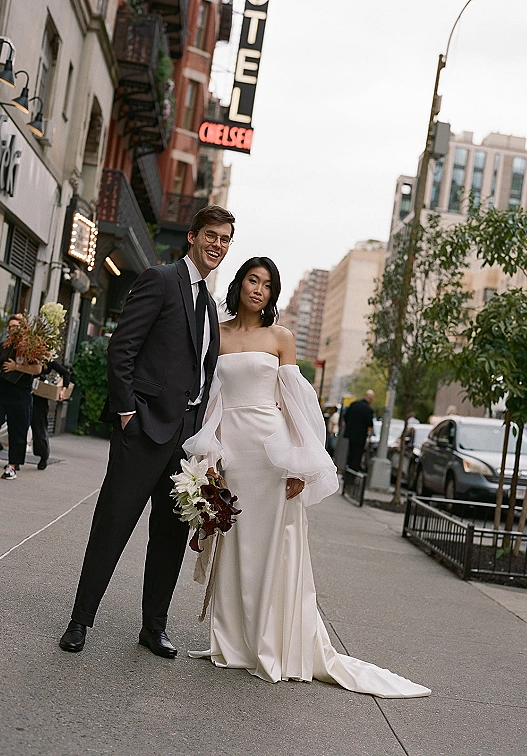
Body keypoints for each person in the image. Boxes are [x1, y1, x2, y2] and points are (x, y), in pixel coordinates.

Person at [183, 258, 430, 698]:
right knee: (236, 543)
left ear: (272, 294)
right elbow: (212, 401)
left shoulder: (281, 337)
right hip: (233, 453)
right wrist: (210, 454)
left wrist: (300, 462)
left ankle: (271, 641)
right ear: (239, 285)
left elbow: (296, 402)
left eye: (267, 284)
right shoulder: (217, 334)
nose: (258, 289)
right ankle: (233, 642)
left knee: (275, 547)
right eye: (252, 281)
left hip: (271, 452)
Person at [58, 204, 235, 657]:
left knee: (169, 540)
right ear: (192, 237)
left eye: (225, 239)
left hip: (186, 441)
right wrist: (126, 414)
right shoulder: (161, 279)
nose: (218, 245)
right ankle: (80, 621)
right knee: (112, 527)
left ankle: (153, 627)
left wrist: (199, 436)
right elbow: (123, 349)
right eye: (211, 235)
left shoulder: (210, 306)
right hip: (143, 431)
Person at [0, 314, 42, 480]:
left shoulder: (30, 347)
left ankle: (12, 466)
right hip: (0, 392)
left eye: (16, 327)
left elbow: (37, 369)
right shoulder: (3, 346)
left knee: (17, 431)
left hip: (20, 395)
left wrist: (17, 367)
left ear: (23, 328)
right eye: (10, 326)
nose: (12, 329)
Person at [31, 359, 71, 470]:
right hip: (24, 395)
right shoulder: (25, 356)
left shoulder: (47, 360)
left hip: (39, 399)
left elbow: (66, 373)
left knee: (39, 429)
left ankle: (43, 456)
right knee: (19, 428)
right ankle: (15, 461)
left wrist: (62, 391)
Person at [343, 390, 375, 472]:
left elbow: (346, 416)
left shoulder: (354, 405)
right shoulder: (368, 409)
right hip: (360, 436)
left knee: (350, 453)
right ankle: (353, 472)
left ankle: (348, 471)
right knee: (357, 456)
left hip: (351, 434)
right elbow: (369, 424)